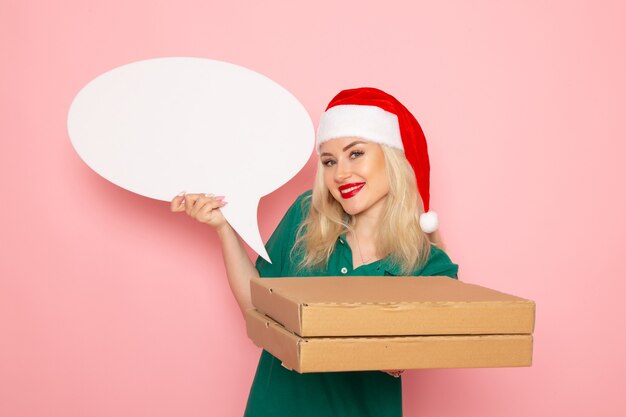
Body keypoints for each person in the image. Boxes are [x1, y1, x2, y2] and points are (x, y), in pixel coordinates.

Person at [171, 87, 459, 417]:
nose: (340, 174)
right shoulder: (305, 217)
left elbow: (407, 357)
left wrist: (310, 341)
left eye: (356, 154)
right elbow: (257, 309)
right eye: (329, 161)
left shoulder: (428, 265)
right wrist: (224, 228)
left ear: (392, 157)